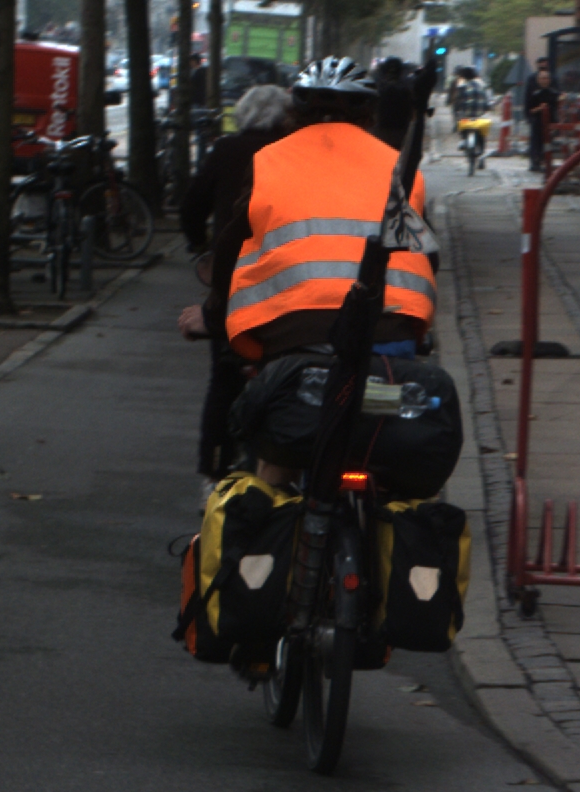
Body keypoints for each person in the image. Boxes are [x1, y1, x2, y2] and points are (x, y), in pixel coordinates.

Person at [176, 57, 435, 485]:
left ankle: (267, 513)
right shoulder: (401, 168)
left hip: (292, 333)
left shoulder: (270, 161)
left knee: (279, 445)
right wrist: (418, 322)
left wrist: (213, 314)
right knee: (388, 442)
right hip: (387, 332)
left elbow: (232, 248)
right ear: (368, 115)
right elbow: (425, 254)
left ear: (295, 113)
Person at [178, 84, 293, 483]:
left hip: (233, 282)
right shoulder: (292, 152)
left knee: (223, 383)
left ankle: (212, 473)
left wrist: (198, 245)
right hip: (285, 280)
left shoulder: (226, 150)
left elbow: (192, 205)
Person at [525, 65, 559, 173]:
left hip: (550, 122)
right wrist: (540, 108)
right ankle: (535, 162)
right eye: (542, 78)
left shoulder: (554, 93)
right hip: (537, 122)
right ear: (538, 80)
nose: (545, 80)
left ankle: (546, 162)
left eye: (547, 78)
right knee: (536, 143)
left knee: (549, 143)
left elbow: (557, 106)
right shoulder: (534, 94)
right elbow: (530, 109)